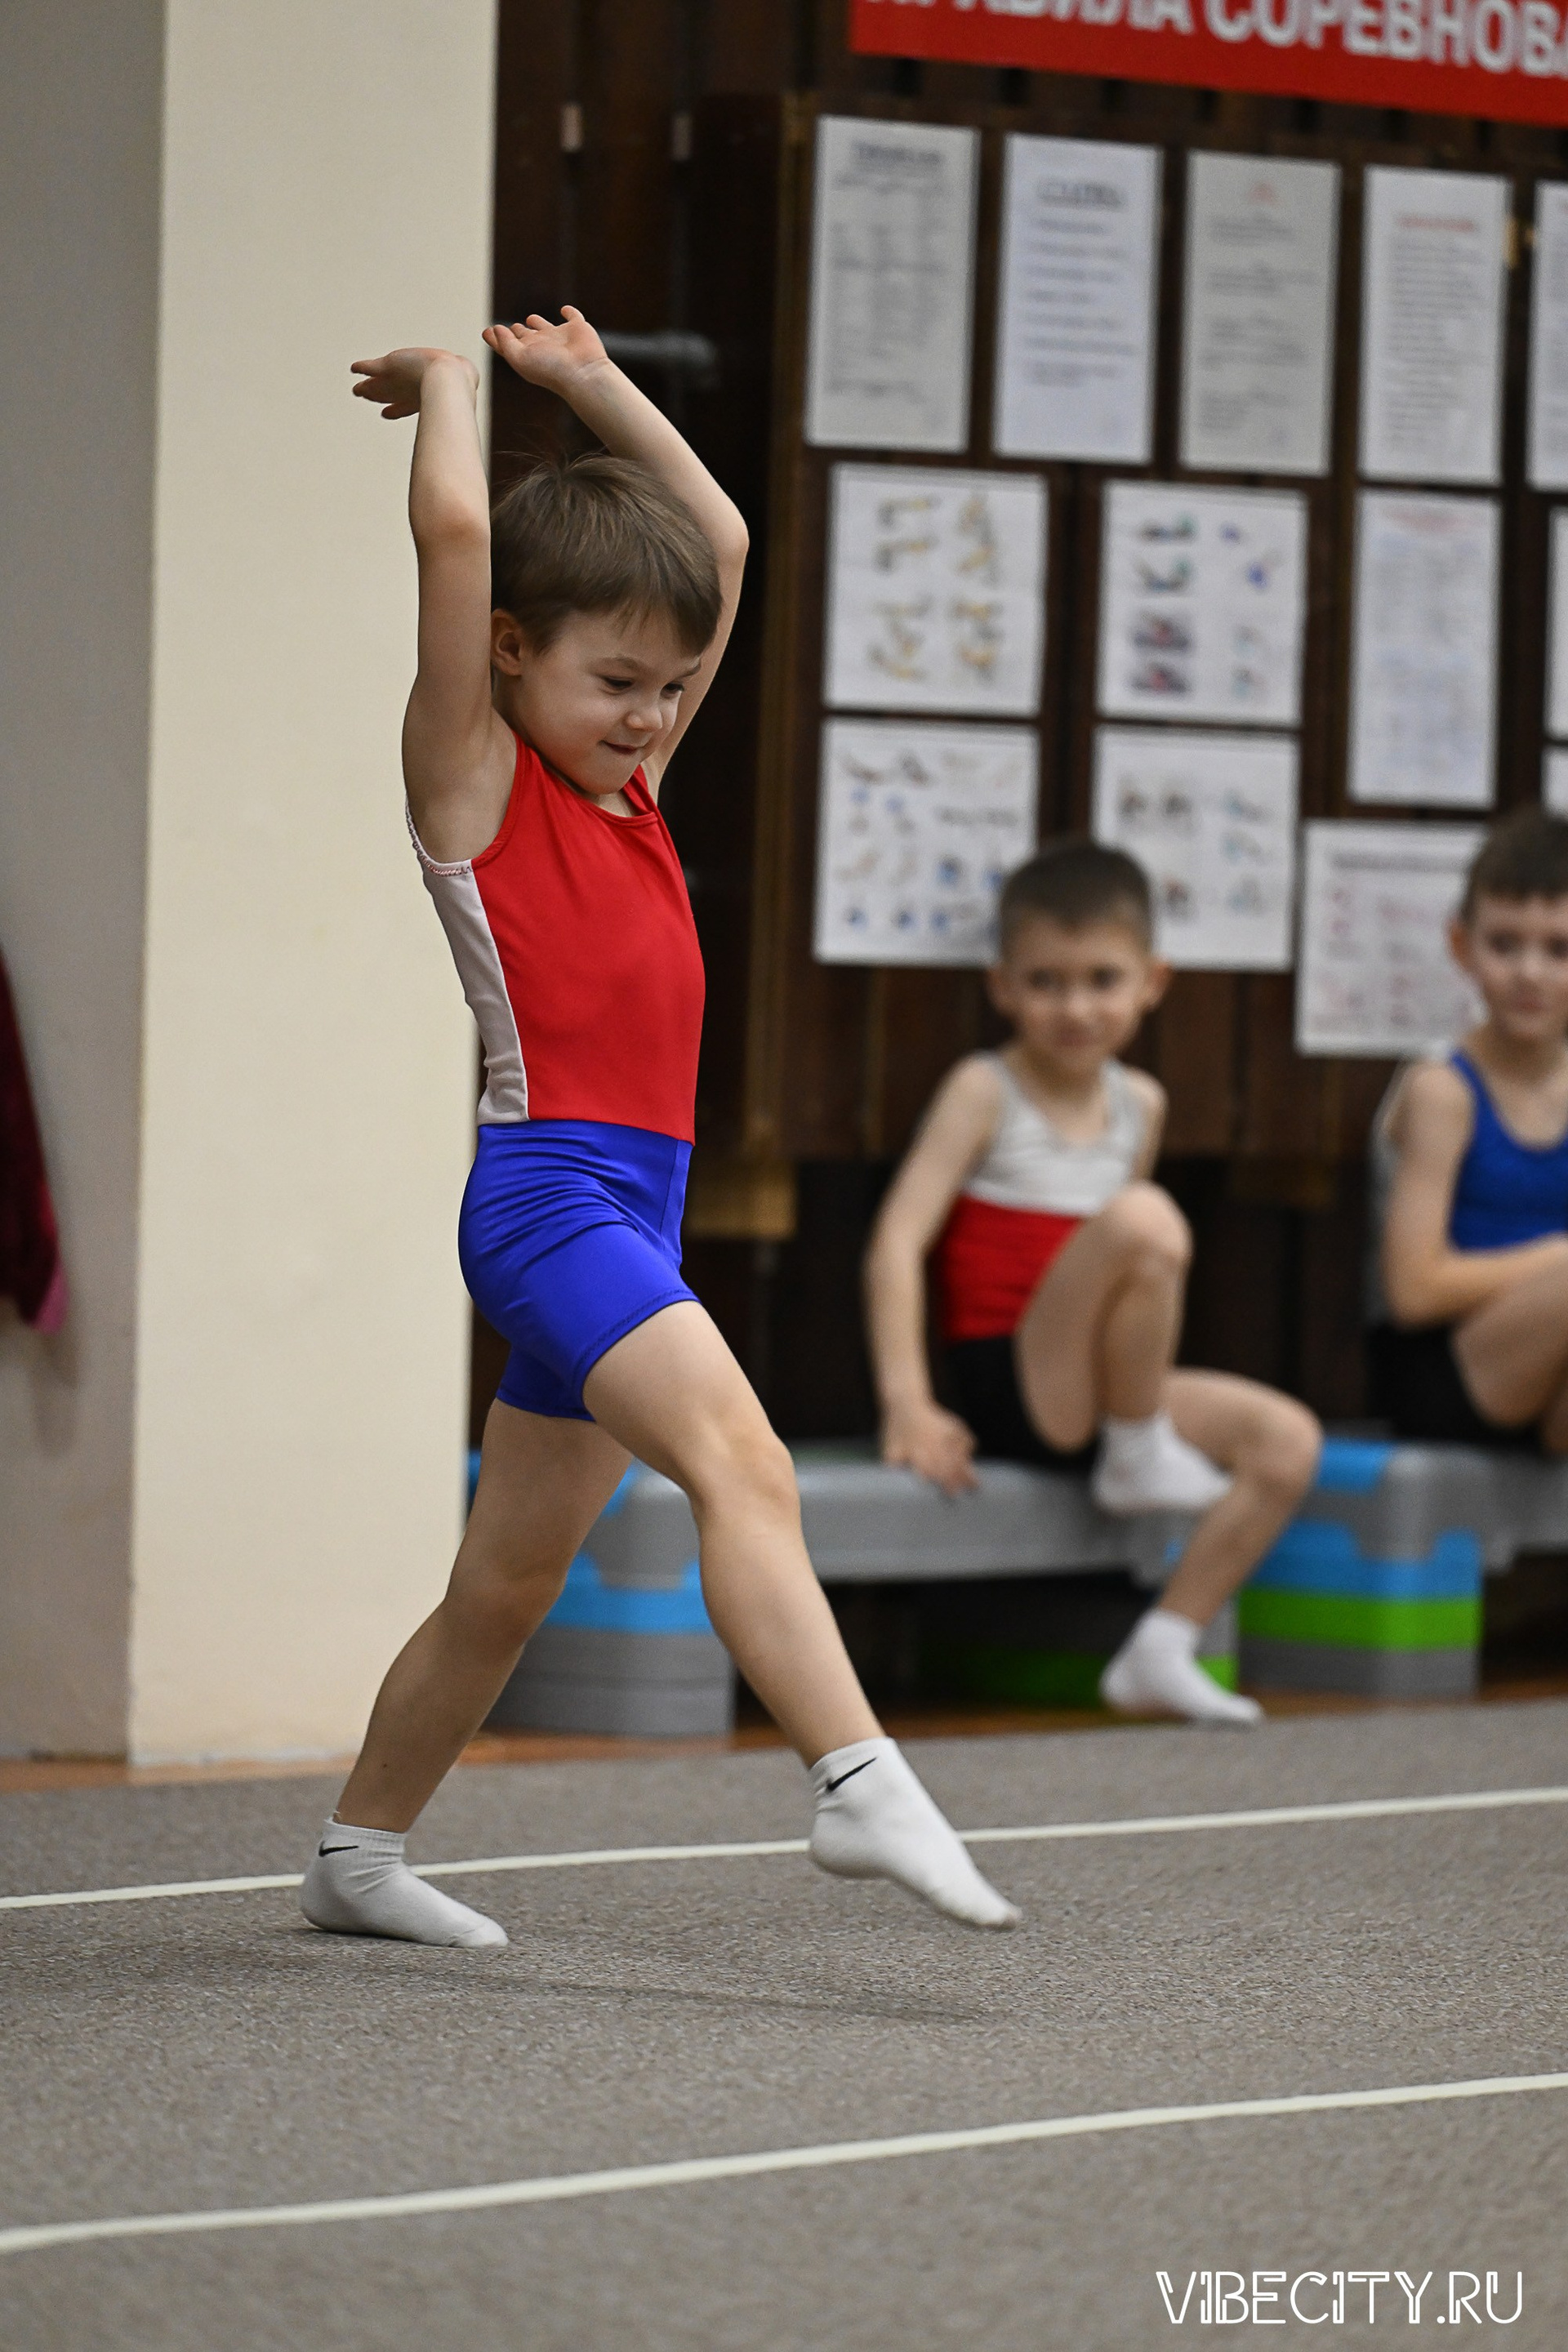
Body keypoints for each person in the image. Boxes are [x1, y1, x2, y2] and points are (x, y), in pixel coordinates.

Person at [300, 309, 1018, 1949]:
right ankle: (856, 1779)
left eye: (674, 688)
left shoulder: (628, 787)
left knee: (507, 1584)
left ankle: (356, 1856)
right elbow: (459, 532)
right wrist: (453, 384)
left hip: (638, 1209)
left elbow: (724, 542)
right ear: (506, 651)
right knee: (742, 1463)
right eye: (616, 683)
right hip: (551, 1205)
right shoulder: (473, 779)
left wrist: (591, 382)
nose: (648, 716)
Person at [864, 842, 1321, 1729]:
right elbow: (896, 1242)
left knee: (1286, 1442)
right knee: (1144, 1220)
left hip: (1108, 1397)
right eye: (1046, 982)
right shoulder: (984, 1089)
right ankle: (1138, 1447)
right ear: (1002, 986)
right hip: (1013, 1379)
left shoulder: (1140, 1103)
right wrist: (908, 1403)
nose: (1075, 1008)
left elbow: (1130, 1282)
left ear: (1153, 981)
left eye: (1102, 980)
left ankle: (1164, 1645)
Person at [1368, 808, 1568, 1454]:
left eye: (1559, 950)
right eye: (1505, 945)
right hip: (1441, 1369)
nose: (1530, 973)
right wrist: (1558, 1260)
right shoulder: (1443, 1090)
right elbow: (1413, 1291)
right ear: (1461, 946)